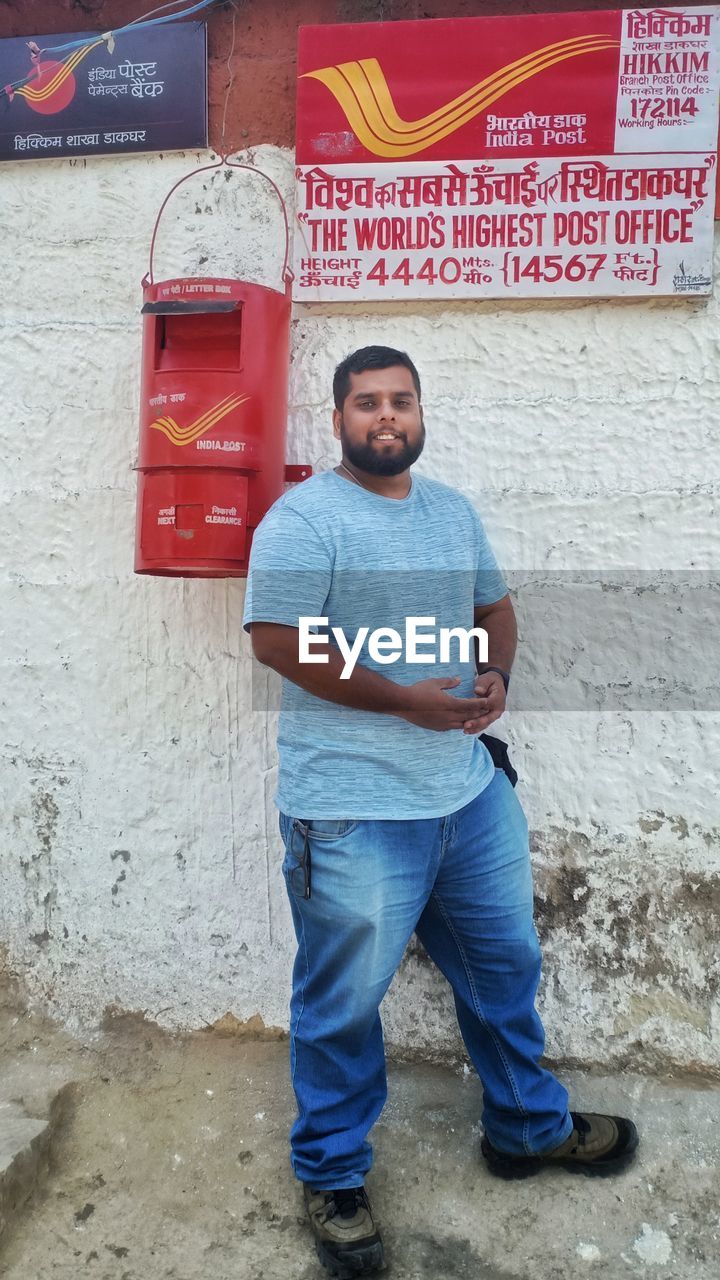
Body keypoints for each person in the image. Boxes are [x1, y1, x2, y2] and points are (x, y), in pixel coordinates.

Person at [242, 346, 638, 1278]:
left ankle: (527, 1129)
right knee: (341, 1007)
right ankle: (333, 1175)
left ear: (421, 413)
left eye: (403, 401)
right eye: (368, 402)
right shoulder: (303, 522)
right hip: (351, 811)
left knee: (506, 971)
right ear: (337, 417)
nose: (388, 417)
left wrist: (495, 669)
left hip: (465, 794)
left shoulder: (452, 512)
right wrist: (404, 701)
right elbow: (275, 644)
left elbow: (495, 606)